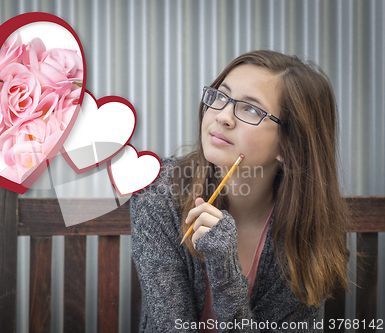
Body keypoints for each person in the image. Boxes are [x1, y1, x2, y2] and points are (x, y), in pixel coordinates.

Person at [130, 50, 350, 332]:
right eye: (221, 96)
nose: (222, 116)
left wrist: (225, 270)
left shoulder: (305, 227)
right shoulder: (158, 192)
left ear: (289, 145)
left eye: (251, 109)